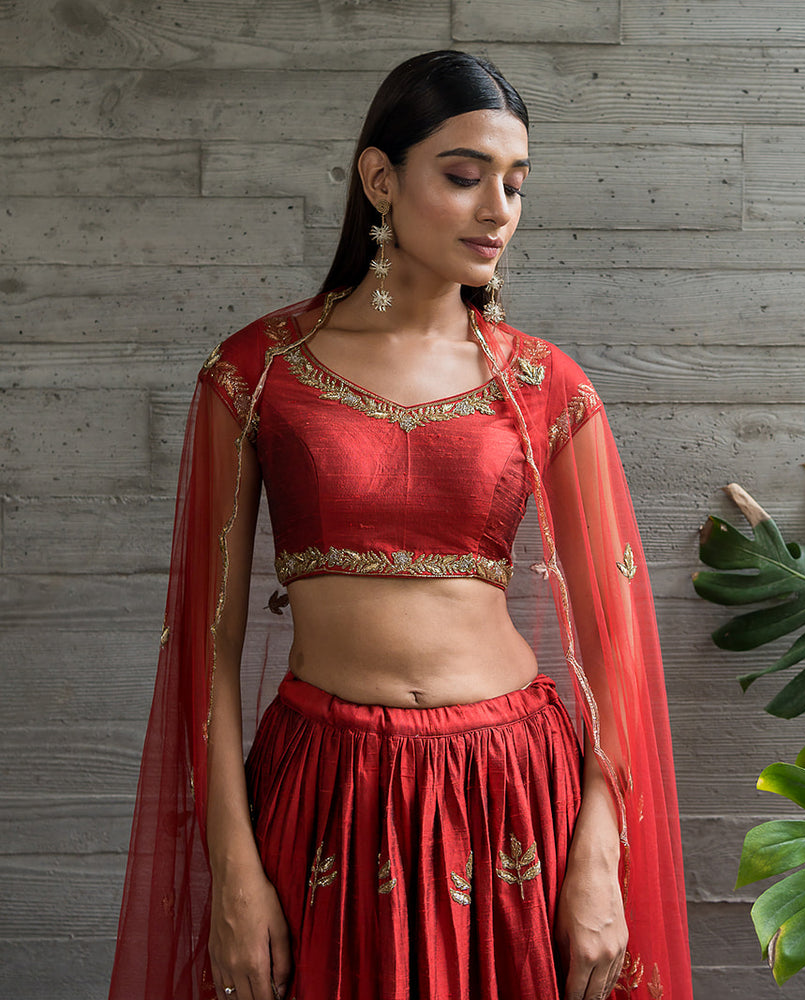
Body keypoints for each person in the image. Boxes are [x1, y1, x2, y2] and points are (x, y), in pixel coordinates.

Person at [108, 50, 691, 1000]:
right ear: (382, 180)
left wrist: (599, 849)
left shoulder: (543, 385)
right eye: (464, 177)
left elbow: (615, 647)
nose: (498, 208)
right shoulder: (257, 373)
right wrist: (233, 870)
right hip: (327, 793)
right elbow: (203, 655)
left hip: (514, 798)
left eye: (515, 183)